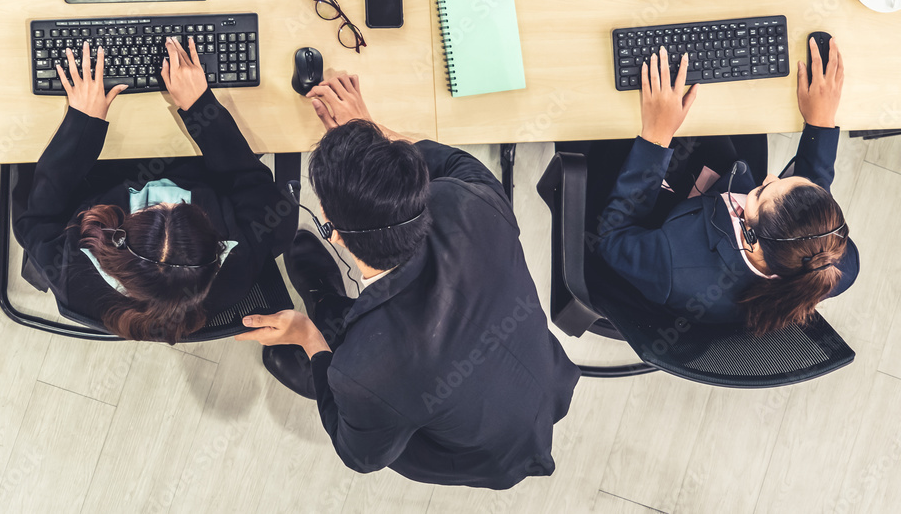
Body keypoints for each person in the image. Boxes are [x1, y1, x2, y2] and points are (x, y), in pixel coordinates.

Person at [235, 74, 581, 490]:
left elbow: (358, 455)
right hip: (538, 376)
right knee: (364, 348)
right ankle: (325, 303)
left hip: (470, 451)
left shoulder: (368, 368)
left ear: (334, 230)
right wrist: (372, 136)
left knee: (342, 361)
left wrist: (306, 336)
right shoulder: (470, 202)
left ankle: (321, 343)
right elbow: (453, 163)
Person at [13, 38, 292, 344]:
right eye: (178, 207)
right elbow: (249, 179)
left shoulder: (71, 273)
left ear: (117, 242)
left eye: (153, 207)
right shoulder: (243, 263)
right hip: (195, 161)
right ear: (217, 247)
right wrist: (201, 107)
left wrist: (83, 125)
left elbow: (35, 220)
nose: (162, 195)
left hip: (98, 171)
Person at [593, 38, 860, 335]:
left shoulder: (673, 265)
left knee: (609, 117)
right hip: (717, 189)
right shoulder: (835, 264)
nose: (771, 177)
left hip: (663, 224)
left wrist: (655, 137)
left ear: (751, 238)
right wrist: (820, 123)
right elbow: (808, 216)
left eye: (761, 193)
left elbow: (611, 238)